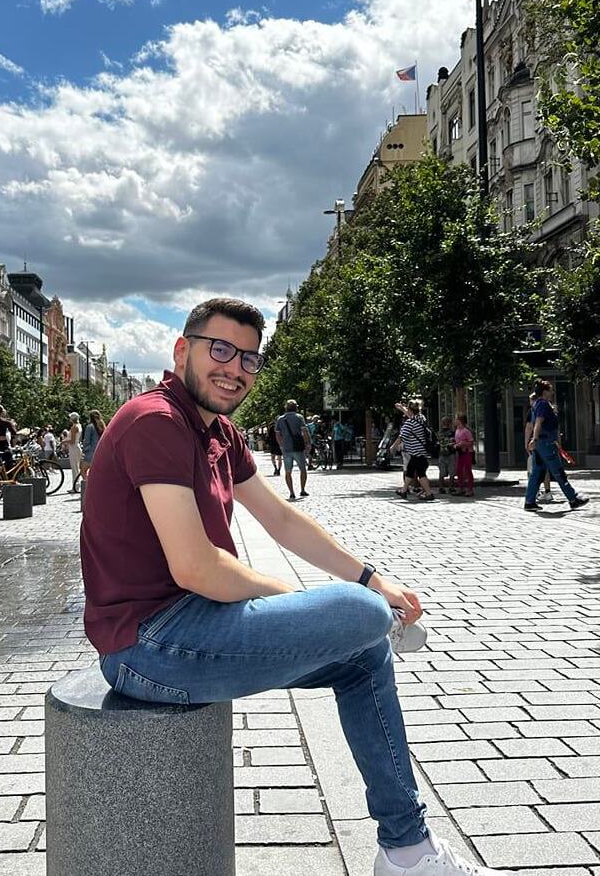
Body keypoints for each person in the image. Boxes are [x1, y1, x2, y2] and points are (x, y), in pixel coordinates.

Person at [82, 297, 505, 876]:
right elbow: (195, 568)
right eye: (221, 350)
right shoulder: (156, 421)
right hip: (148, 647)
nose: (235, 369)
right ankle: (407, 845)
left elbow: (281, 520)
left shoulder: (218, 431)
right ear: (183, 350)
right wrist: (319, 605)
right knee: (357, 618)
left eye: (249, 360)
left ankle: (407, 852)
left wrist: (371, 576)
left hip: (190, 629)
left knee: (362, 656)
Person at [524, 379, 589, 512]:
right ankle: (573, 499)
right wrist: (535, 439)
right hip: (546, 443)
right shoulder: (543, 404)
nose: (552, 392)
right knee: (558, 471)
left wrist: (533, 440)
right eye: (550, 390)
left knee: (537, 472)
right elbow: (538, 422)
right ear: (545, 392)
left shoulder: (536, 404)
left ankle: (529, 502)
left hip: (540, 444)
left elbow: (533, 424)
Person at [392, 401, 434, 501]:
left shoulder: (410, 423)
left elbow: (401, 436)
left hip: (416, 452)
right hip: (421, 451)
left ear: (410, 410)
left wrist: (393, 446)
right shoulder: (421, 418)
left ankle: (428, 493)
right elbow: (411, 414)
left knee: (420, 474)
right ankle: (404, 490)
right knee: (411, 471)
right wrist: (402, 408)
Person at [275, 400, 312, 501]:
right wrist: (308, 443)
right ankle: (303, 489)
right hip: (298, 447)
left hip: (286, 449)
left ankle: (291, 492)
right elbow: (305, 431)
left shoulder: (280, 419)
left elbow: (277, 434)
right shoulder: (299, 417)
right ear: (296, 407)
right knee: (302, 469)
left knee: (288, 472)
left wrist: (281, 446)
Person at [524, 393, 553, 503]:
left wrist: (527, 442)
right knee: (547, 468)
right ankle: (547, 491)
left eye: (530, 400)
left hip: (537, 443)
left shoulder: (533, 411)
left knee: (533, 469)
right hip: (549, 442)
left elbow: (529, 427)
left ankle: (533, 494)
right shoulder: (549, 409)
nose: (530, 403)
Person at [80, 409, 106, 486]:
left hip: (90, 453)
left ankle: (88, 487)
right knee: (97, 472)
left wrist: (84, 450)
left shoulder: (90, 427)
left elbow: (86, 441)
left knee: (83, 470)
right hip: (100, 453)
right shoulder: (103, 426)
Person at [453, 415, 475, 498]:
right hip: (460, 453)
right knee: (458, 470)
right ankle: (461, 487)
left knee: (467, 470)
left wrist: (463, 444)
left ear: (460, 420)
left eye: (456, 419)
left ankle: (470, 489)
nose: (454, 421)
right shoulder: (457, 430)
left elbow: (471, 442)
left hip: (467, 452)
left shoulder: (466, 431)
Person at [436, 416, 457, 494]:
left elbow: (437, 443)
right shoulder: (453, 433)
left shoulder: (439, 433)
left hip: (441, 454)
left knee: (441, 472)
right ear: (450, 424)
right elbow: (455, 442)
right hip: (451, 454)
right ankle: (451, 487)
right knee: (452, 472)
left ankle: (441, 487)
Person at [67, 412, 83, 492]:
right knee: (77, 467)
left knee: (74, 468)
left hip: (73, 448)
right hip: (77, 447)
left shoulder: (74, 427)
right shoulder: (79, 426)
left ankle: (75, 486)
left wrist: (64, 441)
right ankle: (77, 485)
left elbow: (72, 440)